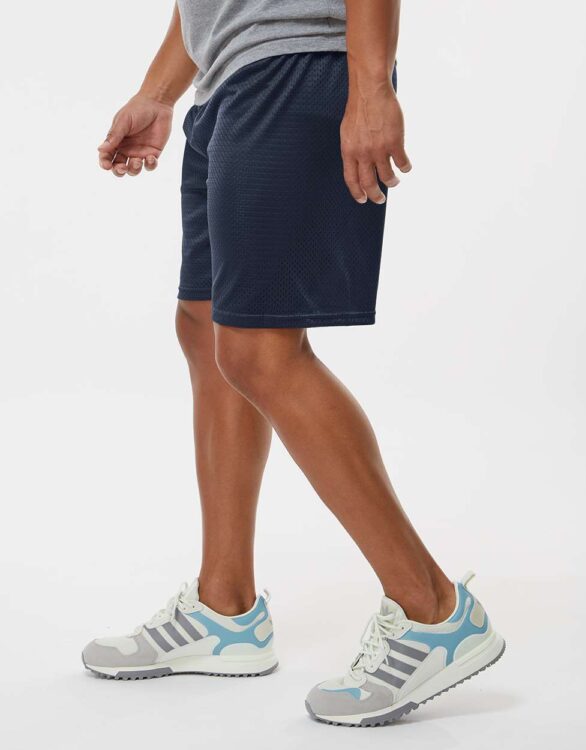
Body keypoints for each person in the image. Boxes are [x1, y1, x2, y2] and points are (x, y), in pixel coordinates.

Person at [82, 0, 504, 726]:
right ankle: (225, 609)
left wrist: (371, 86)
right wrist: (158, 93)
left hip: (298, 67)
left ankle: (434, 610)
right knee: (205, 325)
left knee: (260, 352)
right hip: (227, 83)